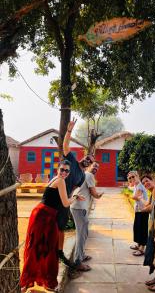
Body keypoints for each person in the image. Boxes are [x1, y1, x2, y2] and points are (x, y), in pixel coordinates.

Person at [20, 160, 76, 292]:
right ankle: (48, 282)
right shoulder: (60, 181)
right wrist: (75, 197)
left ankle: (28, 282)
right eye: (62, 169)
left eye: (67, 171)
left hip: (41, 214)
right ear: (58, 169)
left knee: (37, 247)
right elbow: (66, 203)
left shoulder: (55, 179)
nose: (64, 173)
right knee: (49, 249)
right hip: (45, 216)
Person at [58, 119, 94, 268]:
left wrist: (73, 197)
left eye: (90, 161)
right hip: (56, 195)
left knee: (60, 227)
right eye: (87, 158)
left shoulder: (82, 176)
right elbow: (65, 145)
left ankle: (63, 255)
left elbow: (74, 189)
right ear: (83, 157)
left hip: (65, 200)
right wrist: (69, 130)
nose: (87, 161)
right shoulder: (71, 159)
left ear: (90, 165)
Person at [70, 161, 104, 272]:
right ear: (89, 166)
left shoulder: (83, 174)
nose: (96, 168)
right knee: (81, 234)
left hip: (77, 206)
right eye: (94, 165)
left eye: (98, 167)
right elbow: (94, 193)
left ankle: (82, 255)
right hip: (80, 208)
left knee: (83, 233)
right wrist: (99, 195)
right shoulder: (89, 175)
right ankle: (78, 261)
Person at [128, 171, 149, 256]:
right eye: (130, 178)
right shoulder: (136, 186)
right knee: (137, 228)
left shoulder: (140, 186)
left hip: (143, 210)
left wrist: (132, 196)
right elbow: (131, 189)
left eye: (133, 177)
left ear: (137, 176)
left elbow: (135, 196)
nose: (131, 179)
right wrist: (130, 185)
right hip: (139, 211)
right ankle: (138, 244)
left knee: (142, 229)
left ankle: (142, 249)